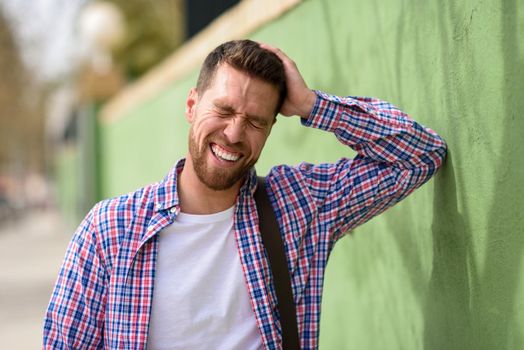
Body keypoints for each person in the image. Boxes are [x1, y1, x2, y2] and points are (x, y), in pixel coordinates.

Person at [44, 40, 446, 349]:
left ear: (272, 127)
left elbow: (419, 155)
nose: (234, 134)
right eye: (223, 110)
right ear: (191, 104)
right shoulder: (110, 230)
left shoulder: (299, 205)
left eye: (255, 121)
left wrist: (312, 104)